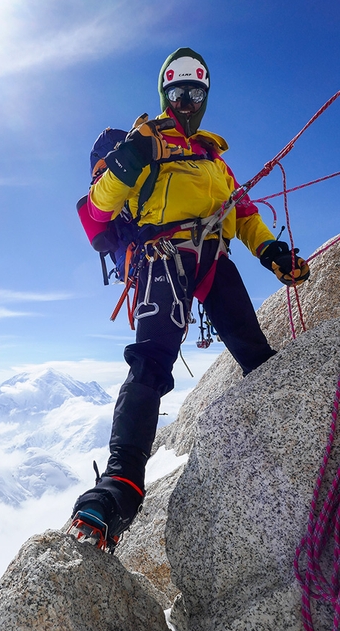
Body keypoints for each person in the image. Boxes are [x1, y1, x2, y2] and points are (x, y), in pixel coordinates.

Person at [70, 47, 310, 551]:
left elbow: (240, 212)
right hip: (164, 256)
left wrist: (270, 250)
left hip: (212, 260)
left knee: (255, 353)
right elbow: (98, 210)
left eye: (194, 93)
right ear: (164, 95)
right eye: (177, 92)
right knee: (151, 363)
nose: (185, 101)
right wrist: (125, 165)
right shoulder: (144, 142)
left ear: (203, 99)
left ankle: (289, 439)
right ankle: (119, 486)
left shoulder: (212, 156)